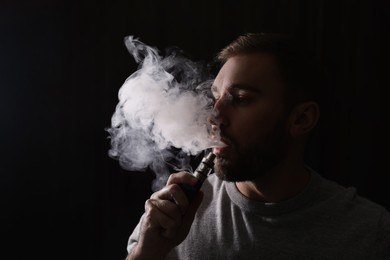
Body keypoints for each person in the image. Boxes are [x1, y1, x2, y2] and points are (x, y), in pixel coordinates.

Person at [125, 33, 390, 259]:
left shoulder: (368, 232)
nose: (213, 117)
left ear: (301, 119)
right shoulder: (177, 214)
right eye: (215, 97)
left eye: (240, 99)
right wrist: (147, 252)